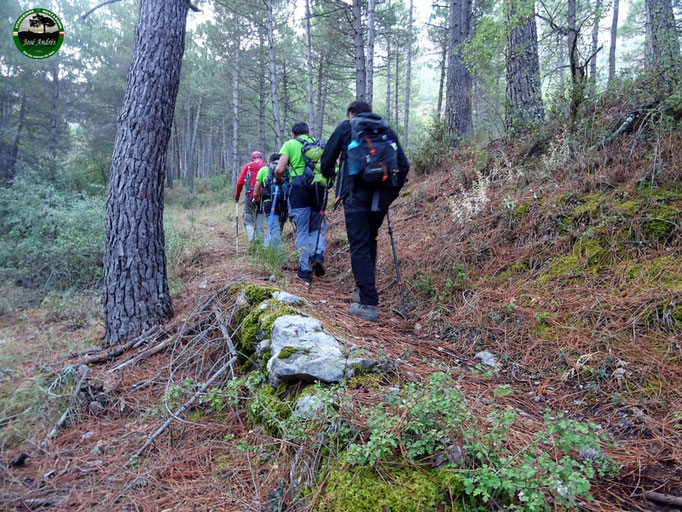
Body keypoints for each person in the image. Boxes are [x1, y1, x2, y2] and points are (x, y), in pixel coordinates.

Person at [320, 100, 409, 322]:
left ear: (351, 113)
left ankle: (368, 302)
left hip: (356, 193)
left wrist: (333, 176)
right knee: (370, 239)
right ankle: (365, 291)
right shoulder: (385, 128)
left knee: (359, 243)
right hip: (383, 194)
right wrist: (392, 192)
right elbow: (404, 165)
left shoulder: (346, 127)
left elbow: (325, 164)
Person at [274, 122, 328, 283]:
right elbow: (334, 166)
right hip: (318, 190)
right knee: (315, 228)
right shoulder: (318, 144)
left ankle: (304, 271)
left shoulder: (290, 144)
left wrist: (278, 180)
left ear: (293, 133)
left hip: (299, 190)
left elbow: (279, 169)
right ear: (308, 131)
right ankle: (317, 254)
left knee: (303, 230)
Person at [253, 152, 288, 250]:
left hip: (269, 201)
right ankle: (272, 252)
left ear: (269, 161)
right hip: (285, 202)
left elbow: (256, 192)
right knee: (278, 229)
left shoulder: (264, 170)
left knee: (275, 230)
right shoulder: (286, 169)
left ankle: (280, 259)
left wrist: (256, 198)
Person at [235, 151, 267, 243]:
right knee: (260, 223)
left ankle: (253, 240)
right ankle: (260, 244)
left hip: (250, 196)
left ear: (252, 158)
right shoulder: (266, 166)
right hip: (263, 197)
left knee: (248, 221)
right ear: (261, 158)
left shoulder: (248, 166)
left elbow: (240, 182)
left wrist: (237, 196)